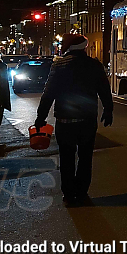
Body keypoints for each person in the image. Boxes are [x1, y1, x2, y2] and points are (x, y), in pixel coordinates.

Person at [35, 34, 113, 206]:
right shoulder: (94, 65)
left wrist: (41, 117)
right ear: (85, 47)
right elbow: (104, 89)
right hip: (87, 119)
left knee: (67, 158)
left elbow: (49, 93)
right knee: (85, 157)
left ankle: (69, 195)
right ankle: (82, 192)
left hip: (65, 120)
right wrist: (108, 110)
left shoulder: (59, 65)